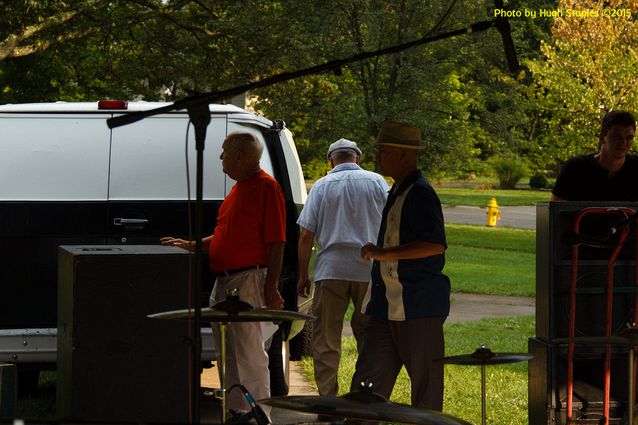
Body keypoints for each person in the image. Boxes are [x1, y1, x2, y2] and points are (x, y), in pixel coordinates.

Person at [161, 132, 286, 419]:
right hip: (226, 281)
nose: (220, 158)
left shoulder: (267, 187)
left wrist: (271, 287)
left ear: (240, 156)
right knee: (228, 356)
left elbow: (277, 242)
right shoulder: (239, 189)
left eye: (224, 152)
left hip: (248, 280)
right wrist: (191, 244)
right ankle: (236, 413)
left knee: (250, 355)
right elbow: (225, 235)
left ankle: (258, 416)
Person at [349, 121, 450, 411]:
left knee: (426, 393)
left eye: (383, 151)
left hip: (418, 308)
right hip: (385, 307)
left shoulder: (420, 193)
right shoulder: (398, 190)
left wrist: (383, 253)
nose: (378, 156)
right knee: (366, 388)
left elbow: (434, 244)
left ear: (404, 155)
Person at [297, 138, 388, 396]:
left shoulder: (321, 186)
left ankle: (328, 401)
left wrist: (304, 274)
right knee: (369, 338)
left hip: (331, 269)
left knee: (325, 338)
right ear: (357, 159)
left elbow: (306, 234)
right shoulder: (378, 182)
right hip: (369, 270)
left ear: (331, 161)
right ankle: (365, 396)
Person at [552, 110, 638, 201]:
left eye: (629, 138)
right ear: (602, 138)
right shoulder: (575, 168)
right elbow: (556, 210)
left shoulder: (636, 168)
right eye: (616, 136)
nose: (623, 142)